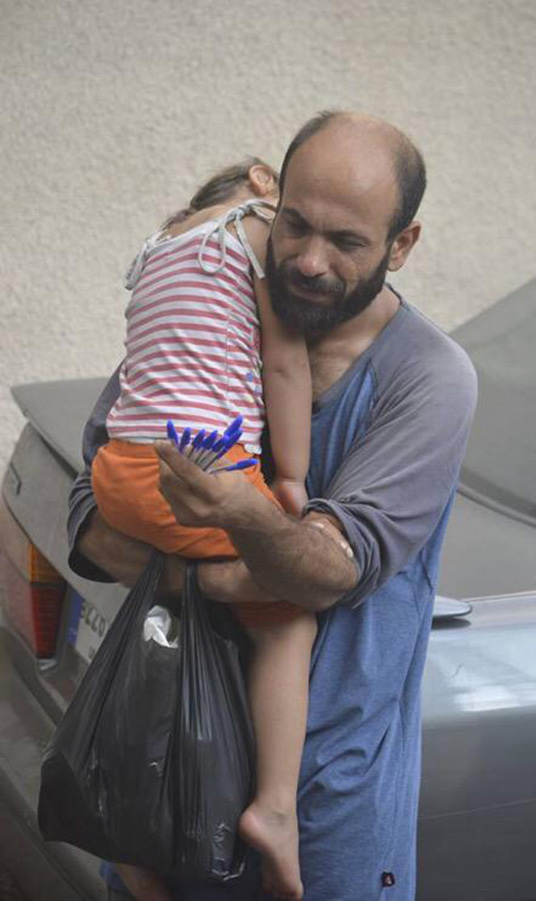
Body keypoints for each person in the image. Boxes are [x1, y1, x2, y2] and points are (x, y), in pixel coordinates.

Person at [68, 111, 478, 901]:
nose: (310, 261)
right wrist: (237, 570)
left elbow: (328, 571)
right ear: (273, 196)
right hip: (160, 772)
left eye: (348, 242)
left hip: (321, 818)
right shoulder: (217, 310)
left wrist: (234, 519)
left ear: (402, 245)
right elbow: (88, 519)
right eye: (295, 224)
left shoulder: (429, 378)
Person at [90, 158, 316, 901]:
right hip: (198, 471)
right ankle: (274, 810)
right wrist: (289, 482)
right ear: (261, 179)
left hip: (120, 468)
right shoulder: (256, 230)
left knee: (172, 618)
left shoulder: (158, 246)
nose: (304, 237)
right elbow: (283, 363)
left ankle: (129, 830)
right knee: (287, 615)